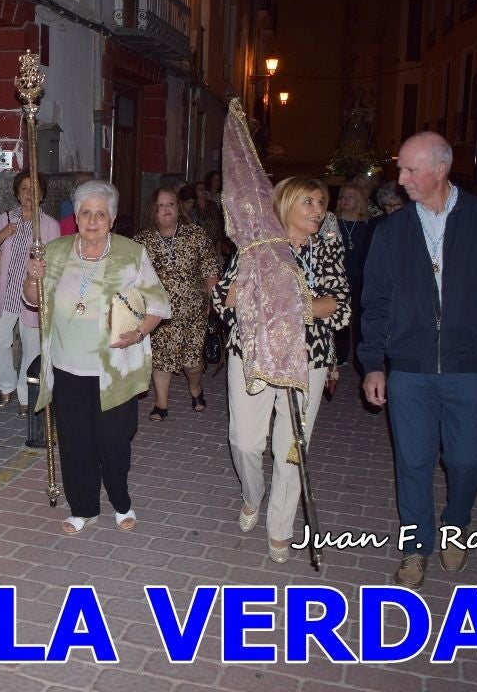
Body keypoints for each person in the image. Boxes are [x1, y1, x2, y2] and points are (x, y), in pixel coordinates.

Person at [359, 131, 477, 589]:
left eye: (411, 169)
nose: (401, 178)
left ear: (441, 169)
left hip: (468, 365)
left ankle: (456, 529)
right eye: (401, 169)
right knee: (412, 462)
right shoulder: (392, 231)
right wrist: (373, 361)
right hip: (410, 367)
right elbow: (374, 302)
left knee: (468, 460)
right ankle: (416, 547)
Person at [214, 177, 350, 563]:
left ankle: (280, 526)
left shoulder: (326, 246)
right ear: (286, 204)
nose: (317, 209)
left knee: (292, 448)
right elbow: (224, 302)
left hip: (309, 358)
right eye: (307, 201)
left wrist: (290, 307)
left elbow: (336, 302)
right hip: (253, 353)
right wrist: (248, 288)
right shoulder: (256, 245)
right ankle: (252, 496)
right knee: (245, 440)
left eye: (321, 202)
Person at [24, 180, 170, 535]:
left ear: (113, 218)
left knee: (113, 442)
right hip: (67, 367)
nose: (92, 220)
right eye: (86, 213)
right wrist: (32, 277)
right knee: (74, 441)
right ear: (76, 216)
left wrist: (137, 333)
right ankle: (83, 507)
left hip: (114, 368)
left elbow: (159, 304)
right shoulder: (54, 251)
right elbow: (33, 300)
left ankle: (121, 502)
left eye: (100, 214)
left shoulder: (131, 253)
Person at [135, 187, 219, 421]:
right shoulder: (142, 241)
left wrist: (215, 299)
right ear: (153, 210)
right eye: (160, 206)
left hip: (194, 311)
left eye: (170, 204)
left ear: (178, 207)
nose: (166, 210)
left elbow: (210, 267)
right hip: (159, 313)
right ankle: (161, 402)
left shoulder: (195, 235)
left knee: (192, 362)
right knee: (161, 359)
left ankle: (195, 388)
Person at [0, 171, 60, 415]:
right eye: (25, 189)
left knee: (32, 348)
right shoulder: (5, 218)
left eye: (35, 189)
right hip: (6, 294)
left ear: (42, 194)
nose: (30, 194)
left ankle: (24, 396)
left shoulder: (50, 225)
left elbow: (54, 264)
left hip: (32, 297)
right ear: (18, 193)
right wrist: (2, 234)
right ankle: (6, 385)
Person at [333, 182, 375, 368]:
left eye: (350, 196)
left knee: (360, 318)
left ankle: (360, 357)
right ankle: (340, 355)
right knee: (339, 314)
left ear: (358, 200)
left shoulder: (368, 223)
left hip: (360, 276)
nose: (345, 200)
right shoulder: (332, 221)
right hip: (338, 275)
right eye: (343, 196)